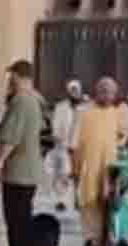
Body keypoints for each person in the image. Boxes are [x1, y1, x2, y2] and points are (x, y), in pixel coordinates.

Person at [0, 60, 46, 246]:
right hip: (29, 169)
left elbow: (11, 137)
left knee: (16, 217)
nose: (9, 81)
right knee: (22, 215)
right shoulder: (35, 100)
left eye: (12, 77)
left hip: (19, 171)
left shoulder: (21, 101)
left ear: (19, 77)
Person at [72, 77, 123, 246]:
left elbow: (122, 139)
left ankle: (107, 235)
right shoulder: (84, 112)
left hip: (109, 165)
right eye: (104, 91)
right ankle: (91, 237)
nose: (107, 95)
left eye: (111, 92)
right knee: (90, 201)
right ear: (97, 92)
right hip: (89, 164)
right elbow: (75, 142)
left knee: (108, 200)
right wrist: (74, 167)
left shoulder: (117, 114)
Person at [49, 79, 84, 212]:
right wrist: (58, 139)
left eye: (77, 90)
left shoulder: (84, 108)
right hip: (63, 145)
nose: (75, 93)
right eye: (72, 90)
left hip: (79, 146)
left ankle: (77, 200)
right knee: (63, 174)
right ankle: (61, 200)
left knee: (78, 175)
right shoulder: (61, 107)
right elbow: (56, 125)